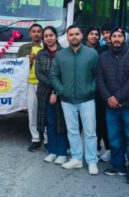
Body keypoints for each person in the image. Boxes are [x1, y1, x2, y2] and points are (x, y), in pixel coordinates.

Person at [50, 25, 100, 175]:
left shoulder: (92, 54)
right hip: (67, 100)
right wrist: (61, 90)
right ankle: (76, 158)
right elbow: (54, 75)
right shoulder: (60, 55)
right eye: (71, 34)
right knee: (72, 131)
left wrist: (91, 89)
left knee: (90, 132)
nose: (74, 37)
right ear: (67, 37)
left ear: (82, 35)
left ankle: (92, 161)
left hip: (87, 99)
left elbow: (98, 75)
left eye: (76, 34)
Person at [96, 28, 129, 183]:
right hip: (110, 106)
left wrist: (117, 98)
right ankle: (118, 166)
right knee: (114, 139)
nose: (116, 39)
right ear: (110, 39)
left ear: (124, 38)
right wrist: (109, 98)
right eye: (114, 36)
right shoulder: (103, 57)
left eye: (119, 36)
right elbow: (99, 80)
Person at [35, 26, 69, 165]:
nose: (49, 38)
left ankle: (62, 152)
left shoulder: (64, 53)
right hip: (44, 93)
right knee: (49, 122)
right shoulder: (40, 54)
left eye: (51, 35)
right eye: (46, 36)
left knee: (61, 122)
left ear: (56, 36)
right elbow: (38, 74)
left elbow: (65, 74)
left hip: (61, 92)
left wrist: (55, 91)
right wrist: (52, 85)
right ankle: (52, 151)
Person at [17, 23, 45, 151]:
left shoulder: (47, 47)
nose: (36, 34)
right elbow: (17, 67)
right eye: (34, 31)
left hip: (44, 84)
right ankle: (35, 139)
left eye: (39, 31)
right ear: (30, 33)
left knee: (45, 112)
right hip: (30, 84)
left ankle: (47, 139)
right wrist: (29, 61)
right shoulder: (23, 48)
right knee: (32, 112)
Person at [84, 26, 110, 161]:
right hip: (86, 90)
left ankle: (108, 148)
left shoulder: (103, 49)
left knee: (102, 121)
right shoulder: (81, 49)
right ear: (86, 36)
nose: (94, 36)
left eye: (96, 34)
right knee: (92, 122)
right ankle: (96, 148)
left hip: (101, 90)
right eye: (91, 34)